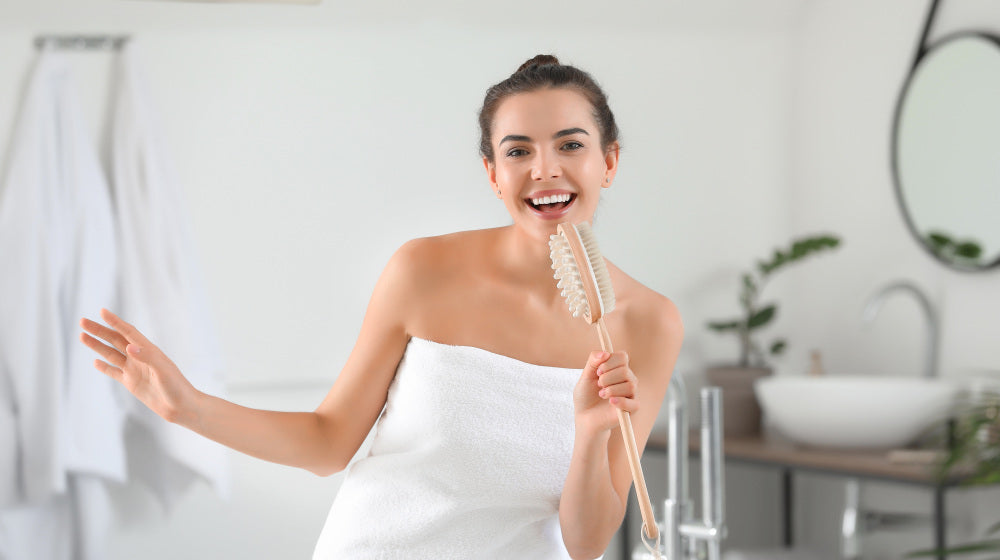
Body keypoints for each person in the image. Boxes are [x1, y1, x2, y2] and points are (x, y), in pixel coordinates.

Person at [80, 54, 683, 560]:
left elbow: (587, 543)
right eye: (518, 151)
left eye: (569, 144)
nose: (544, 170)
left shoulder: (648, 325)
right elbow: (327, 443)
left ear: (608, 162)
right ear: (493, 174)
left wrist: (589, 431)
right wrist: (187, 408)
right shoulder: (424, 272)